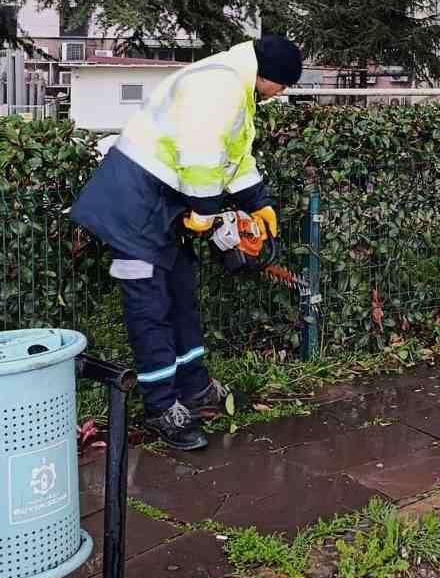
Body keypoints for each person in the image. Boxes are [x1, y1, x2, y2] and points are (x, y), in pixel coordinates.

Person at [69, 34, 304, 450]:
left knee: (181, 296)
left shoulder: (239, 90)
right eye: (283, 85)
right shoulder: (218, 85)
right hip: (133, 205)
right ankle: (161, 408)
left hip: (163, 205)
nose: (282, 93)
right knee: (150, 307)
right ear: (269, 77)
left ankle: (194, 391)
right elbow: (200, 154)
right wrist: (208, 214)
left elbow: (234, 158)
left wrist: (259, 203)